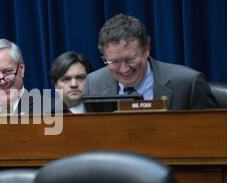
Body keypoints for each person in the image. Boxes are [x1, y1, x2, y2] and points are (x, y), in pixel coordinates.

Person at [84, 13, 218, 110]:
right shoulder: (93, 84)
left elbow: (215, 135)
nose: (124, 69)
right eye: (114, 61)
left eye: (131, 59)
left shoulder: (188, 83)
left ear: (146, 50)